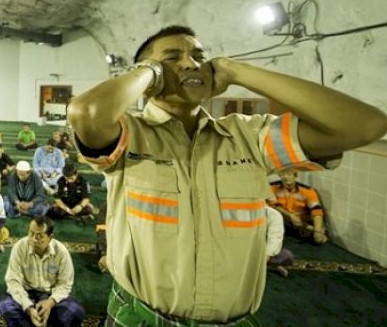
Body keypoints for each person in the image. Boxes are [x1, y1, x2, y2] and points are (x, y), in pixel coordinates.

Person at [67, 25, 387, 325]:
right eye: (172, 58)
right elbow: (87, 112)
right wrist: (150, 71)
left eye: (200, 57)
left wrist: (237, 71)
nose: (192, 64)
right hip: (141, 316)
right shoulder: (132, 136)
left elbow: (364, 126)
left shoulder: (249, 137)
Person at [0, 216, 85, 327]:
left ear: (50, 237)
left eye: (39, 236)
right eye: (31, 233)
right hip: (25, 293)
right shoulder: (19, 247)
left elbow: (65, 284)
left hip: (50, 295)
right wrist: (29, 308)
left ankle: (32, 321)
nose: (34, 239)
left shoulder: (61, 252)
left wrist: (50, 303)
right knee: (5, 306)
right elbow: (13, 281)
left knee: (76, 311)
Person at [268, 169, 327, 244]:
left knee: (318, 239)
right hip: (282, 219)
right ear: (279, 175)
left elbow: (316, 210)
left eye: (289, 174)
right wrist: (290, 215)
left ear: (296, 176)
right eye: (283, 175)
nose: (286, 178)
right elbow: (273, 205)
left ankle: (315, 230)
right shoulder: (272, 187)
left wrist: (318, 231)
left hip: (301, 221)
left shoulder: (307, 190)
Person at [265, 205, 293, 278]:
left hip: (259, 252)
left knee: (287, 256)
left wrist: (264, 260)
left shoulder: (273, 214)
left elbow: (275, 239)